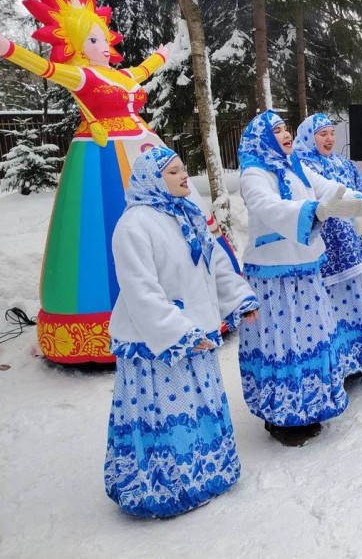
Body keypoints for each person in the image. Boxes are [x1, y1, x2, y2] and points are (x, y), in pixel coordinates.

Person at [0, 0, 174, 363]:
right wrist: (9, 48)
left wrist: (163, 54)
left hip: (144, 149)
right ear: (76, 45)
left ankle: (178, 301)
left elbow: (144, 70)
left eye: (101, 38)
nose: (100, 45)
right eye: (90, 40)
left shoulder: (120, 74)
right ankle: (102, 318)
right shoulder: (83, 75)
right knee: (102, 224)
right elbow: (44, 69)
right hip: (102, 157)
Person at [104, 146, 259, 518]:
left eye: (182, 169)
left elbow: (216, 262)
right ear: (153, 180)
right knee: (168, 415)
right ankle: (164, 488)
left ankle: (206, 474)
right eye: (173, 172)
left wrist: (240, 299)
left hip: (199, 333)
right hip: (156, 344)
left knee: (199, 409)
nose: (183, 175)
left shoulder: (189, 213)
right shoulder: (134, 225)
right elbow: (141, 291)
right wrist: (180, 333)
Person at [237, 110, 362, 446]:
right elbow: (268, 206)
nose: (285, 134)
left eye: (285, 128)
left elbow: (326, 188)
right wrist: (312, 212)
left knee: (308, 338)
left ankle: (308, 405)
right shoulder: (254, 173)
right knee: (283, 344)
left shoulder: (293, 165)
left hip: (305, 269)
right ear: (262, 138)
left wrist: (357, 200)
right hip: (274, 275)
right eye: (277, 130)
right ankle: (281, 417)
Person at [293, 113, 362, 375]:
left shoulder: (343, 163)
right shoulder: (302, 166)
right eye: (322, 134)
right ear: (307, 137)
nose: (329, 139)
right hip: (327, 248)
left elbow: (359, 187)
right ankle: (340, 361)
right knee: (332, 302)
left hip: (352, 246)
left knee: (357, 295)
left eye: (332, 133)